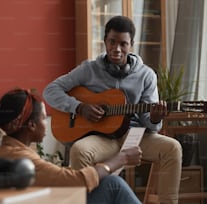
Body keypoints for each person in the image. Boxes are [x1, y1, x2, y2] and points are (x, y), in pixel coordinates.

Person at [43, 15, 182, 204]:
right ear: (105, 41)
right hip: (101, 138)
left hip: (135, 136)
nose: (116, 49)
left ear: (131, 44)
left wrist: (155, 119)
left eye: (123, 44)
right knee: (79, 150)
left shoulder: (146, 75)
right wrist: (80, 107)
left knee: (172, 148)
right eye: (112, 42)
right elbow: (50, 91)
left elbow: (150, 123)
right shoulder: (88, 69)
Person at [0, 88, 142, 204]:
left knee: (109, 183)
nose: (46, 123)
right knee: (113, 185)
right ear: (31, 125)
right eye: (44, 118)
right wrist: (122, 158)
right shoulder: (20, 158)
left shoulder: (12, 151)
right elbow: (76, 181)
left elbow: (58, 177)